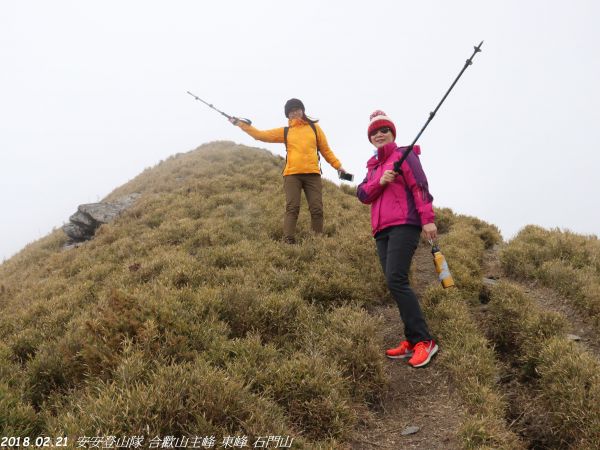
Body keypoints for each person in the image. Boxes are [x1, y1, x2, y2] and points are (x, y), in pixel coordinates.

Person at [357, 110, 439, 368]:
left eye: (384, 130)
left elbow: (420, 186)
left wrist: (427, 219)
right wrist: (380, 181)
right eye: (374, 133)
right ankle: (413, 341)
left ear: (392, 133)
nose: (379, 134)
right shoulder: (373, 167)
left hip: (405, 224)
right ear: (370, 139)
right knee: (394, 282)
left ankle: (424, 341)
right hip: (381, 230)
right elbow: (362, 194)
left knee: (396, 279)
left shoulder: (405, 155)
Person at [230, 98, 347, 244]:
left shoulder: (314, 128)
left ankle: (317, 241)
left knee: (317, 209)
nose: (295, 113)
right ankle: (288, 241)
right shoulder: (285, 132)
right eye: (291, 111)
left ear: (303, 110)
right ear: (287, 115)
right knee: (292, 208)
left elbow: (326, 150)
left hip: (313, 175)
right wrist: (241, 124)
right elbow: (260, 135)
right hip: (292, 175)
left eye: (297, 109)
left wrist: (338, 166)